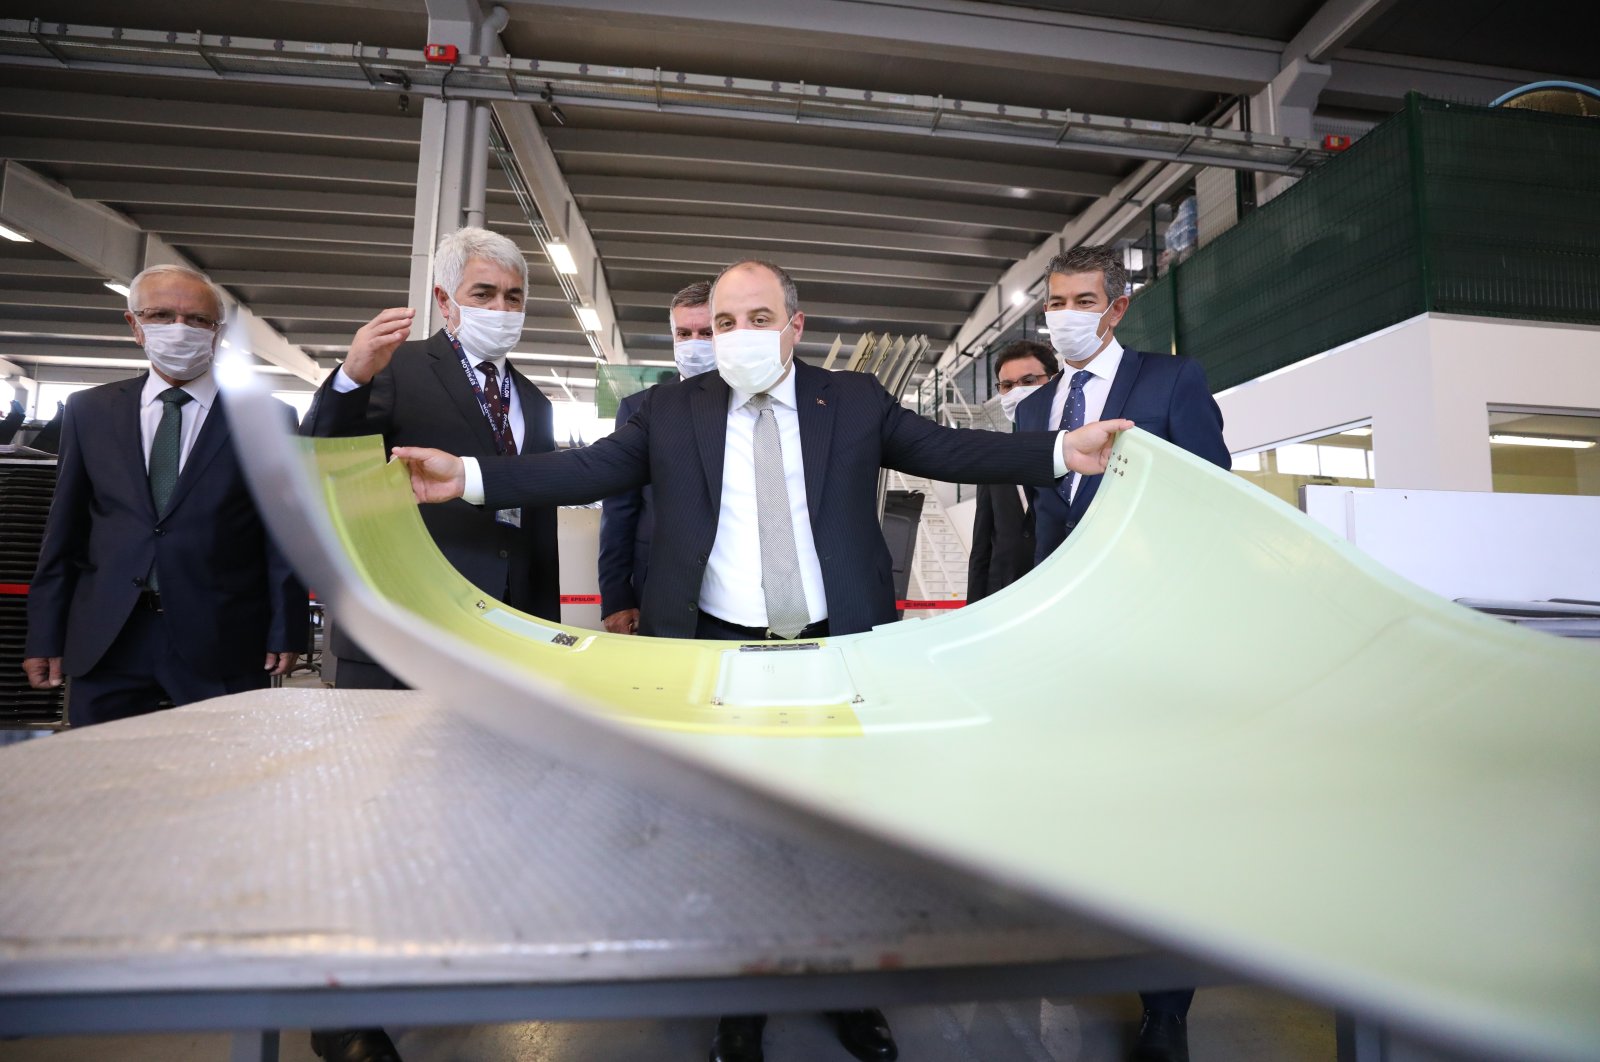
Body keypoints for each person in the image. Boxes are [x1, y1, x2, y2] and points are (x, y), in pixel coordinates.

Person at [387, 258, 1132, 1062]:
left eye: (757, 318)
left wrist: (1062, 450)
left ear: (794, 326)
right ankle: (741, 1007)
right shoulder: (672, 410)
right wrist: (466, 475)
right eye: (726, 320)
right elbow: (587, 468)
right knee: (731, 835)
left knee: (842, 835)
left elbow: (949, 451)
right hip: (718, 648)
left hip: (833, 643)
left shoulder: (850, 401)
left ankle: (854, 996)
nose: (739, 336)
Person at [1017, 244, 1229, 1062]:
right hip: (1066, 644)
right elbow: (1035, 528)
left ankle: (1166, 1005)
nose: (1064, 316)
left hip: (1154, 636)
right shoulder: (1036, 410)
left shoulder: (1172, 382)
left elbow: (1211, 501)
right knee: (1081, 803)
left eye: (1081, 301)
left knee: (1161, 817)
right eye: (1055, 302)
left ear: (1117, 306)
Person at [22, 264, 307, 726]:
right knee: (101, 780)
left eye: (197, 320)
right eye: (160, 316)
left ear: (217, 333)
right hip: (109, 635)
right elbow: (65, 532)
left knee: (222, 779)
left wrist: (286, 627)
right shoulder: (90, 411)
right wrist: (44, 634)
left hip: (222, 635)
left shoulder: (267, 419)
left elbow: (284, 537)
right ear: (134, 325)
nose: (180, 330)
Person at [301, 226, 560, 689]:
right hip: (405, 619)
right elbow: (323, 453)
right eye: (483, 294)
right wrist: (350, 378)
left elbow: (540, 521)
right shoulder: (394, 368)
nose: (501, 309)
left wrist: (545, 626)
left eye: (513, 297)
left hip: (505, 626)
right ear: (445, 300)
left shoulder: (535, 403)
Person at [598, 279, 714, 635]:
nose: (693, 343)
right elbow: (619, 510)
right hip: (655, 588)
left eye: (706, 333)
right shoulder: (639, 409)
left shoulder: (753, 409)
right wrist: (616, 598)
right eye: (683, 333)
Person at [965, 339, 1056, 603]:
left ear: (1053, 381)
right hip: (1002, 599)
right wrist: (972, 612)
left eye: (1028, 381)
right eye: (1007, 385)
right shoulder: (993, 458)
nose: (1016, 391)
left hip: (1056, 594)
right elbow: (981, 547)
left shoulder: (1079, 450)